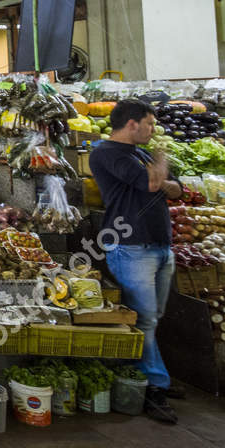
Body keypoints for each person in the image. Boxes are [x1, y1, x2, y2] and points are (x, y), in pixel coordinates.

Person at [88, 98, 183, 424]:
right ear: (132, 124)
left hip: (159, 246)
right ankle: (155, 387)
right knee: (142, 319)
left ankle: (140, 376)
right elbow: (155, 184)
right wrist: (161, 159)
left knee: (152, 317)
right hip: (130, 246)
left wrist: (160, 175)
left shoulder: (139, 155)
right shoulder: (106, 153)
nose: (153, 130)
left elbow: (175, 190)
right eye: (150, 124)